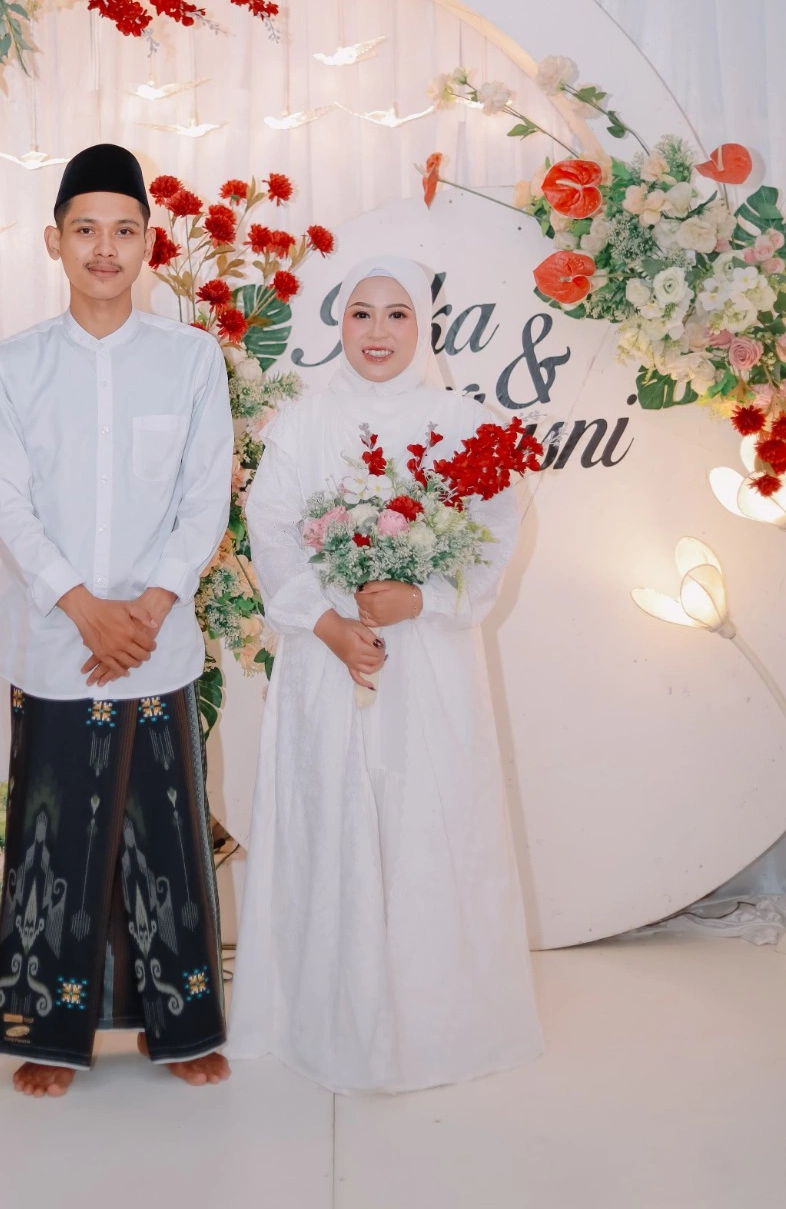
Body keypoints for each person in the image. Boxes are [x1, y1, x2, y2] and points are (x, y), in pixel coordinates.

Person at [226, 255, 543, 1093]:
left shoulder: (460, 421)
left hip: (427, 664)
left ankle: (435, 1021)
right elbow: (272, 530)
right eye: (360, 313)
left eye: (396, 314)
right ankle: (323, 1017)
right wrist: (329, 623)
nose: (377, 332)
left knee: (426, 820)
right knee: (330, 813)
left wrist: (423, 597)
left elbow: (495, 537)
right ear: (339, 324)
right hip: (326, 660)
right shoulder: (303, 421)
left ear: (422, 327)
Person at [0, 142, 234, 1097]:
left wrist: (150, 607)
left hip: (158, 642)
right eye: (85, 229)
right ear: (55, 241)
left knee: (164, 836)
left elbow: (205, 497)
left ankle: (183, 1026)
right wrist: (83, 608)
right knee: (55, 840)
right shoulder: (13, 368)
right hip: (56, 640)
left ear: (149, 244)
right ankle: (47, 1037)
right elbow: (9, 507)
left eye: (124, 230)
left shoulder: (190, 360)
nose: (104, 248)